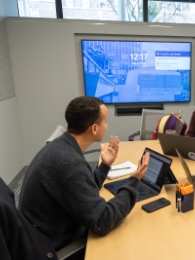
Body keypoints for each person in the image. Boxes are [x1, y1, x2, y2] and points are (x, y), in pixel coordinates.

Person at [19, 96, 150, 252]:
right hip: (54, 247)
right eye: (106, 122)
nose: (107, 126)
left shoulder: (62, 147)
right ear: (94, 128)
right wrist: (134, 181)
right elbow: (103, 220)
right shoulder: (68, 162)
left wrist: (105, 165)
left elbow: (81, 189)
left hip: (45, 234)